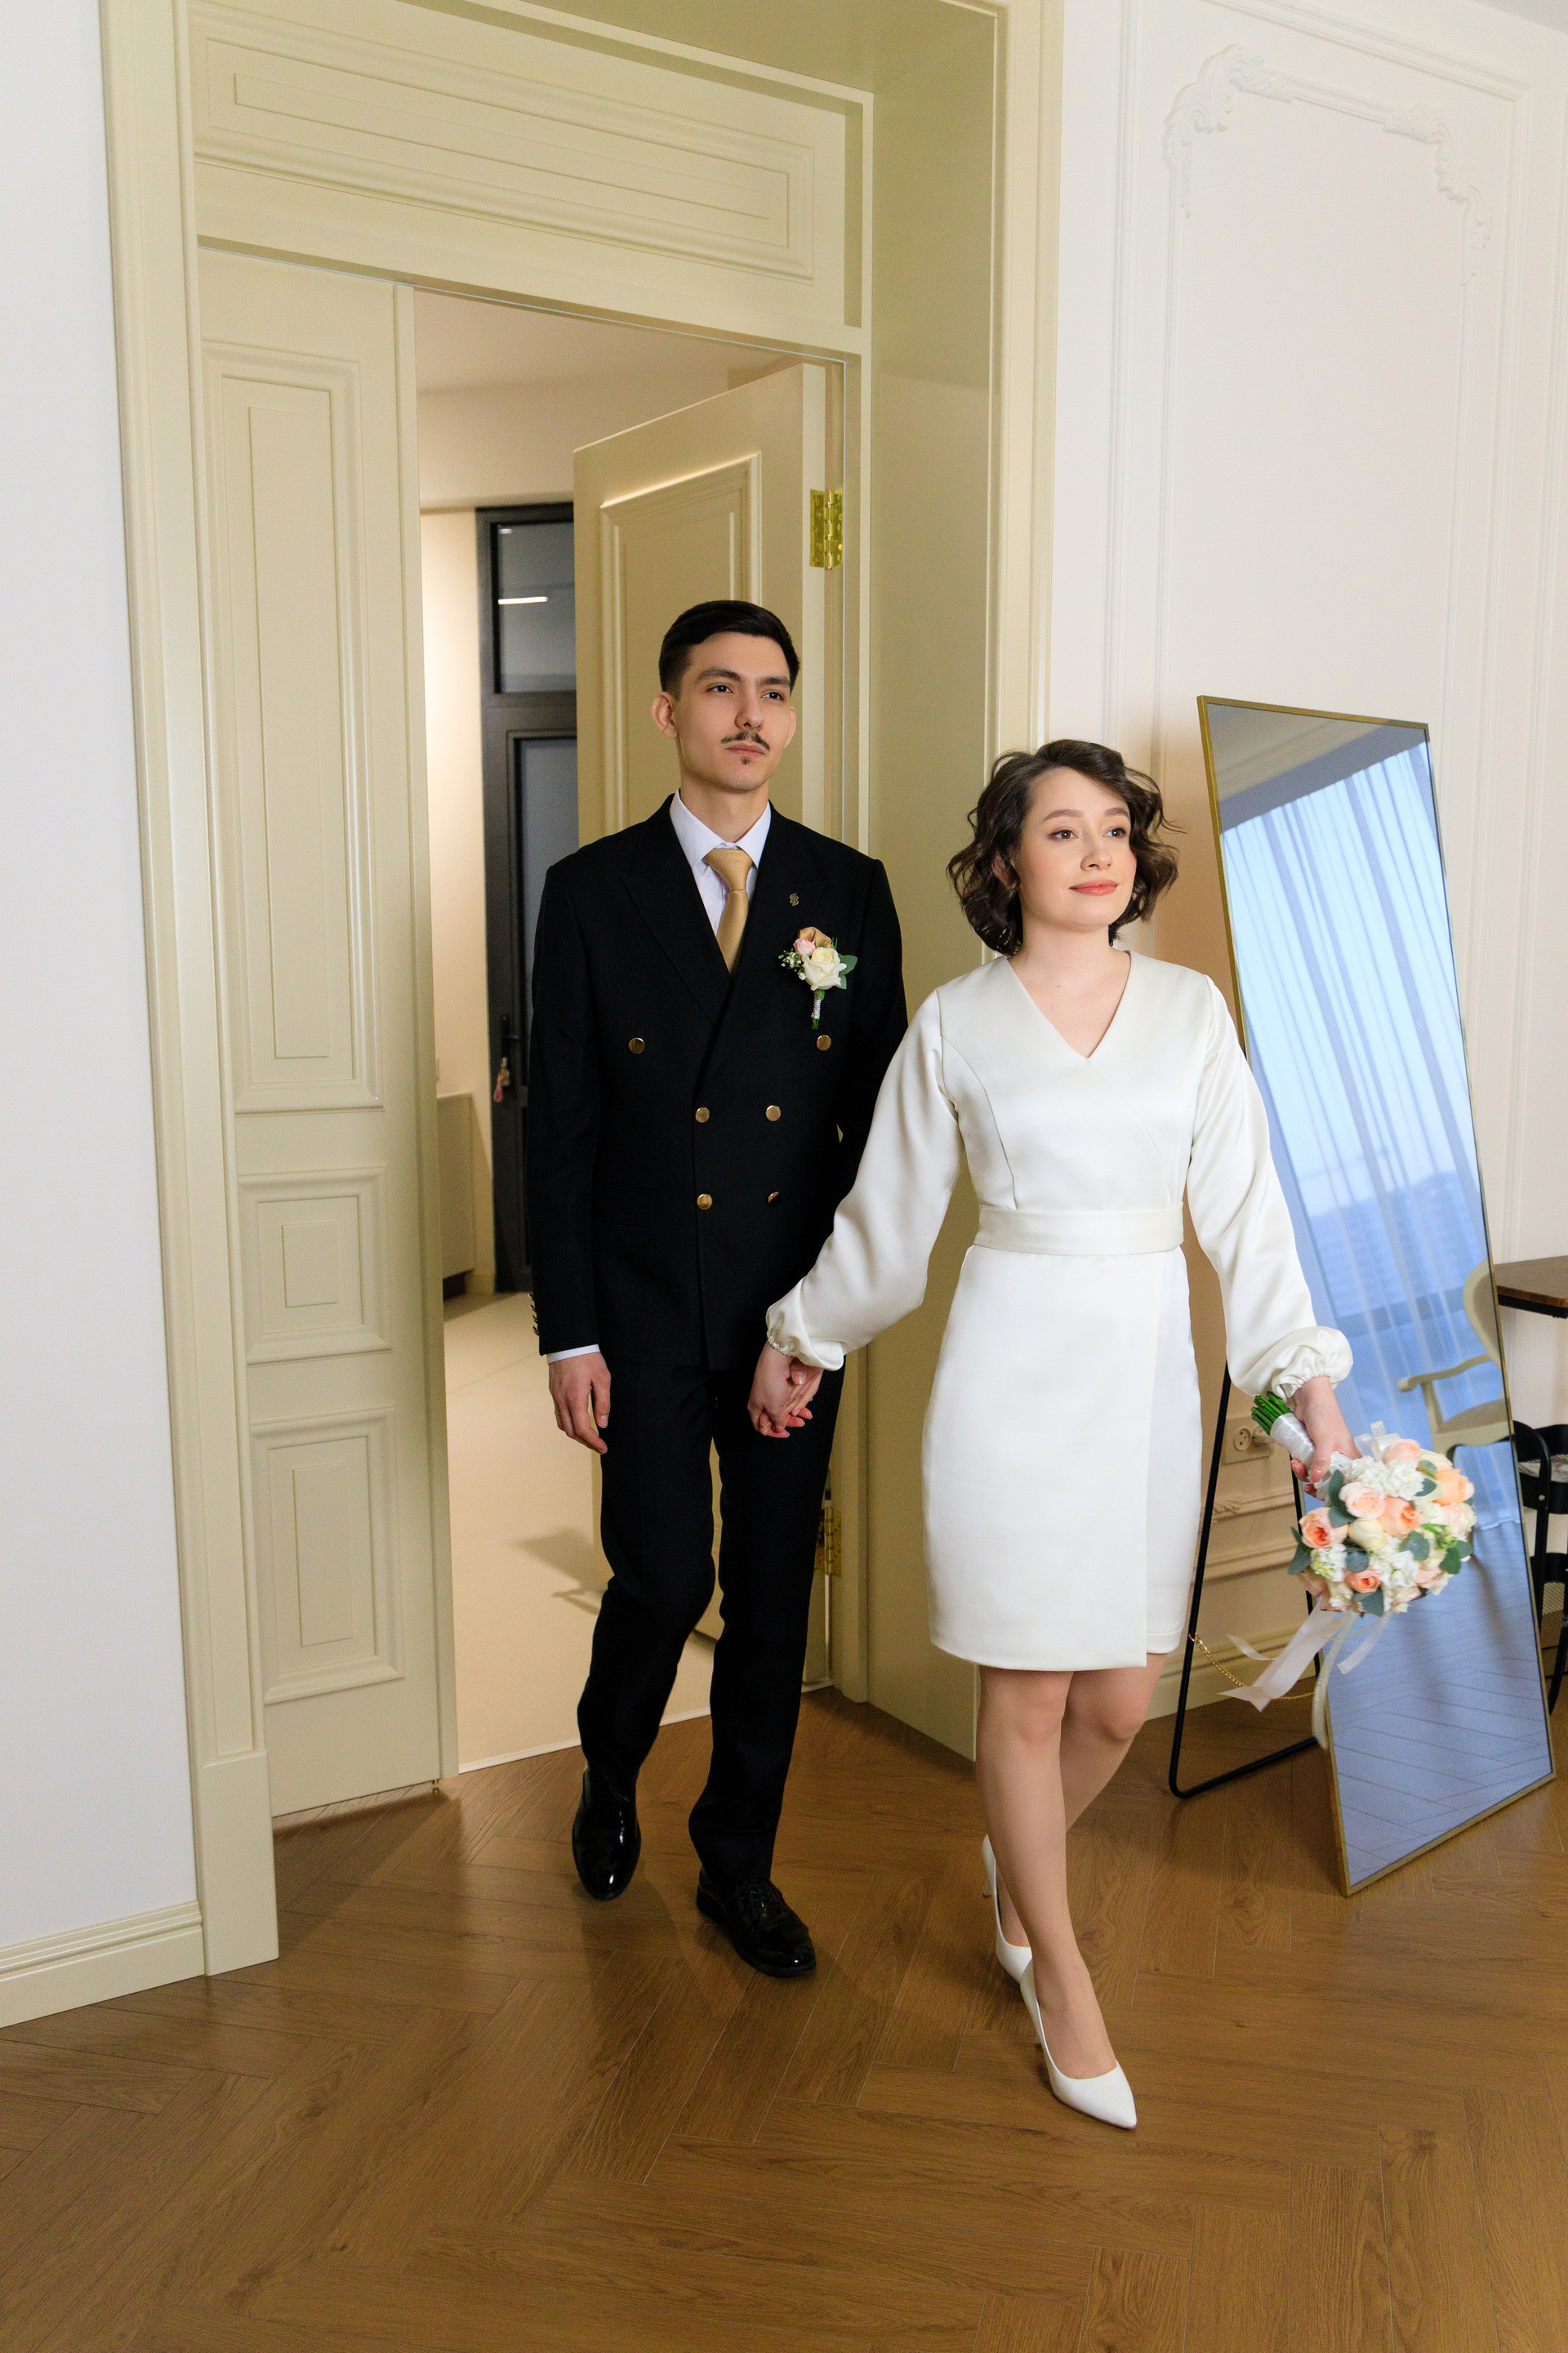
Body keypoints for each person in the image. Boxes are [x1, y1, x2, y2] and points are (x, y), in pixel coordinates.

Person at [750, 739, 1353, 2122]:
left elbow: (1250, 1222)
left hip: (1143, 1377)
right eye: (1064, 829)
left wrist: (1306, 1392)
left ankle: (1014, 1859)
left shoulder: (1192, 1012)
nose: (1098, 853)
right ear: (1005, 860)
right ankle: (1058, 1971)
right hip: (1008, 1374)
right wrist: (802, 1336)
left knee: (1122, 1699)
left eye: (1117, 830)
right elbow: (888, 1224)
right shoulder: (955, 1023)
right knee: (1024, 1697)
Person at [527, 598, 906, 1977]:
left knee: (770, 1595)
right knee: (663, 1570)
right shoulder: (591, 890)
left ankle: (737, 1861)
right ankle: (610, 1761)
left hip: (789, 1315)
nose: (751, 715)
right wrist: (568, 1332)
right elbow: (560, 1131)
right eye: (720, 688)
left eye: (774, 691)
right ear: (668, 710)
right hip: (636, 1309)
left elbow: (881, 1129)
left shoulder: (847, 890)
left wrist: (827, 1316)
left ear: (791, 716)